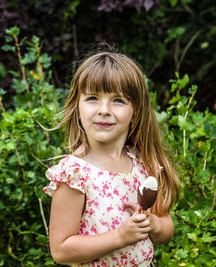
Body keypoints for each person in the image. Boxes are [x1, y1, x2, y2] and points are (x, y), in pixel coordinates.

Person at [43, 51, 179, 266]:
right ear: (77, 108)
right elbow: (61, 249)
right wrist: (120, 237)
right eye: (92, 98)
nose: (104, 110)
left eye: (118, 100)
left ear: (136, 111)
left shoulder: (143, 164)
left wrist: (151, 224)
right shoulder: (75, 174)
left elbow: (166, 228)